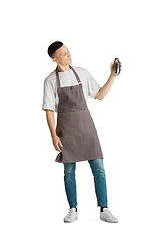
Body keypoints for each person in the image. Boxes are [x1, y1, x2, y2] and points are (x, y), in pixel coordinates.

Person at [42, 41, 122, 223]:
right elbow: (48, 110)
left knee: (99, 169)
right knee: (69, 171)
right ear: (55, 59)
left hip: (87, 128)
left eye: (68, 51)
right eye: (63, 54)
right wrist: (53, 135)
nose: (68, 55)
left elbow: (99, 95)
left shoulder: (82, 73)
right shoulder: (50, 81)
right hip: (66, 131)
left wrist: (112, 76)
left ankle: (104, 208)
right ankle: (73, 209)